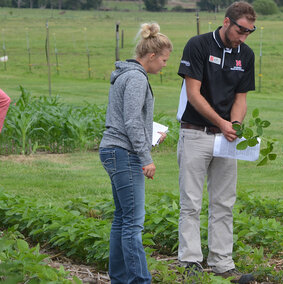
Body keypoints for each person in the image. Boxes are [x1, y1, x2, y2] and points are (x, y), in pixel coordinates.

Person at [175, 1, 256, 283]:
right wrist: (219, 122)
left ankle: (222, 262)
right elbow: (193, 93)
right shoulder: (197, 45)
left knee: (224, 202)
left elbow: (241, 98)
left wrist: (233, 124)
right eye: (240, 30)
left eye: (249, 32)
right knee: (191, 201)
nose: (243, 37)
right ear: (226, 22)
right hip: (195, 132)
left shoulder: (245, 54)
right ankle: (190, 261)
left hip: (226, 139)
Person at [99, 22, 172, 284]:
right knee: (133, 224)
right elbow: (130, 121)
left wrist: (150, 133)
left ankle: (119, 278)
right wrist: (146, 158)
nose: (164, 65)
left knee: (122, 219)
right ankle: (141, 280)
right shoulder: (137, 78)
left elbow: (127, 117)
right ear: (151, 56)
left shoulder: (125, 74)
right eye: (163, 59)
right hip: (124, 153)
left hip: (114, 149)